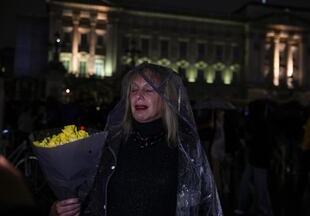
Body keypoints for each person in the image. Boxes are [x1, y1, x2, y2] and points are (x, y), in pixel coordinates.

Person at [50, 63, 223, 216]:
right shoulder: (110, 145)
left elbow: (206, 206)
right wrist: (63, 209)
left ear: (166, 100)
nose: (138, 96)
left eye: (148, 90)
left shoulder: (186, 150)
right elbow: (88, 200)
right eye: (133, 90)